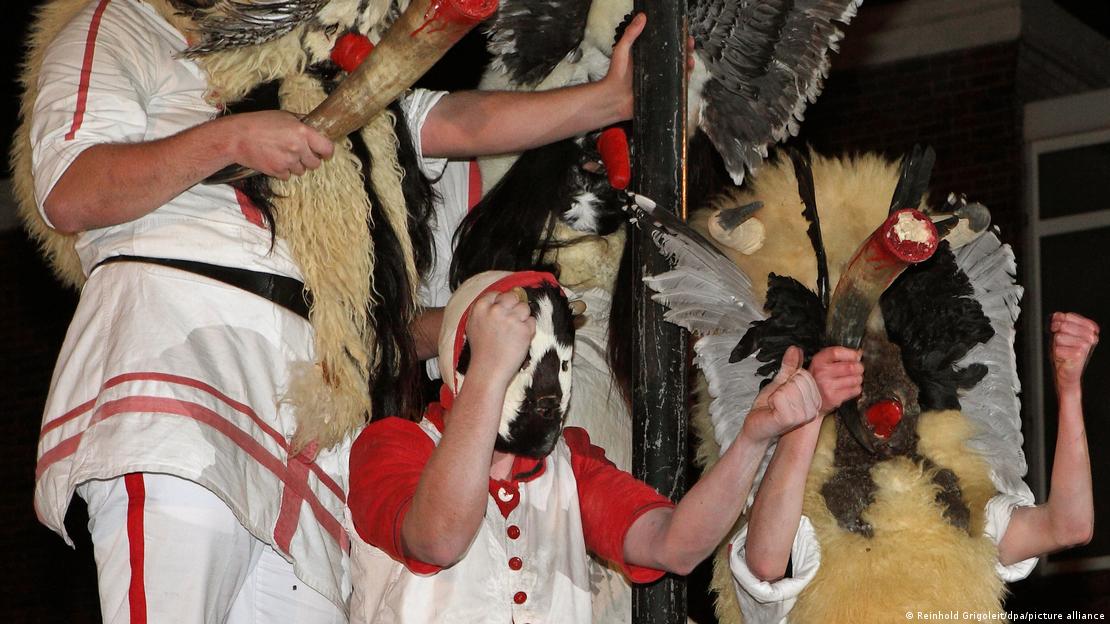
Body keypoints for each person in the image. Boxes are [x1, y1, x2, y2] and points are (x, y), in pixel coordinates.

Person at [23, 0, 651, 620]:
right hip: (188, 374)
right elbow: (70, 191)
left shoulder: (327, 56)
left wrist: (607, 100)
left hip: (321, 427)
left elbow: (455, 121)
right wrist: (232, 137)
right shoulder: (130, 20)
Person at [347, 270, 824, 622]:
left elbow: (675, 545)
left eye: (561, 361)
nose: (551, 385)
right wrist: (490, 372)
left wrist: (752, 439)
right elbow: (438, 538)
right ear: (462, 364)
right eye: (525, 359)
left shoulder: (569, 465)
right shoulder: (394, 444)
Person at [731, 312, 1099, 623]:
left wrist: (1070, 389)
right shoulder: (807, 504)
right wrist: (809, 409)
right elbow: (764, 565)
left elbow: (1068, 526)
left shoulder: (956, 504)